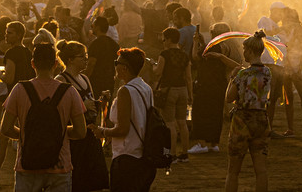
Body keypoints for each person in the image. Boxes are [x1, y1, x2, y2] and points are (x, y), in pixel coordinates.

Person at [0, 44, 87, 191]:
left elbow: (6, 128)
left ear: (33, 63)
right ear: (56, 64)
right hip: (60, 165)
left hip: (28, 164)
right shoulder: (69, 92)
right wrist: (60, 133)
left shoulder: (20, 89)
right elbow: (81, 132)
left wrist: (26, 134)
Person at [92, 48, 157, 192]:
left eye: (117, 62)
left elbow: (122, 129)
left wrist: (102, 132)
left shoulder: (125, 91)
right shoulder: (146, 88)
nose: (115, 66)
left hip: (127, 157)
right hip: (144, 156)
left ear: (124, 68)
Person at [55, 41, 109, 192]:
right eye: (82, 57)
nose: (86, 60)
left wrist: (101, 101)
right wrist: (84, 105)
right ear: (70, 59)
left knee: (93, 180)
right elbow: (58, 110)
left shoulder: (85, 78)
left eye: (86, 56)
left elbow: (91, 106)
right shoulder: (61, 80)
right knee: (77, 179)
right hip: (74, 135)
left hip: (89, 133)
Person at [224, 30, 272, 192]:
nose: (243, 52)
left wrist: (232, 78)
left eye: (245, 50)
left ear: (250, 51)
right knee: (261, 170)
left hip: (242, 121)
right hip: (261, 119)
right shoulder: (267, 72)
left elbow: (229, 98)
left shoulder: (242, 74)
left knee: (233, 171)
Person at [188, 22, 239, 154]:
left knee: (201, 113)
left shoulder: (212, 47)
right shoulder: (227, 47)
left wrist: (195, 43)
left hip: (206, 84)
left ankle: (202, 143)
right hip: (219, 83)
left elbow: (195, 57)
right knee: (216, 114)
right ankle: (213, 142)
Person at [153, 27, 192, 162]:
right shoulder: (184, 55)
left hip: (168, 91)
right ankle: (185, 153)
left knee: (170, 123)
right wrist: (190, 94)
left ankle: (172, 154)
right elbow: (188, 77)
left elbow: (158, 72)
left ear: (169, 40)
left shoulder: (164, 54)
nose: (163, 42)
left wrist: (153, 66)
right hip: (183, 90)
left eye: (164, 39)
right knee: (182, 122)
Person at [279, 8, 302, 139]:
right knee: (289, 98)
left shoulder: (298, 29)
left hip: (296, 66)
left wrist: (299, 68)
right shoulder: (286, 30)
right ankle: (292, 128)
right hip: (287, 66)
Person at [86, 16, 120, 98]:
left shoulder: (95, 44)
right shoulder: (114, 44)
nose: (91, 28)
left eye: (92, 26)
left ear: (97, 27)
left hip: (96, 83)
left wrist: (85, 79)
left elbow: (91, 64)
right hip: (109, 82)